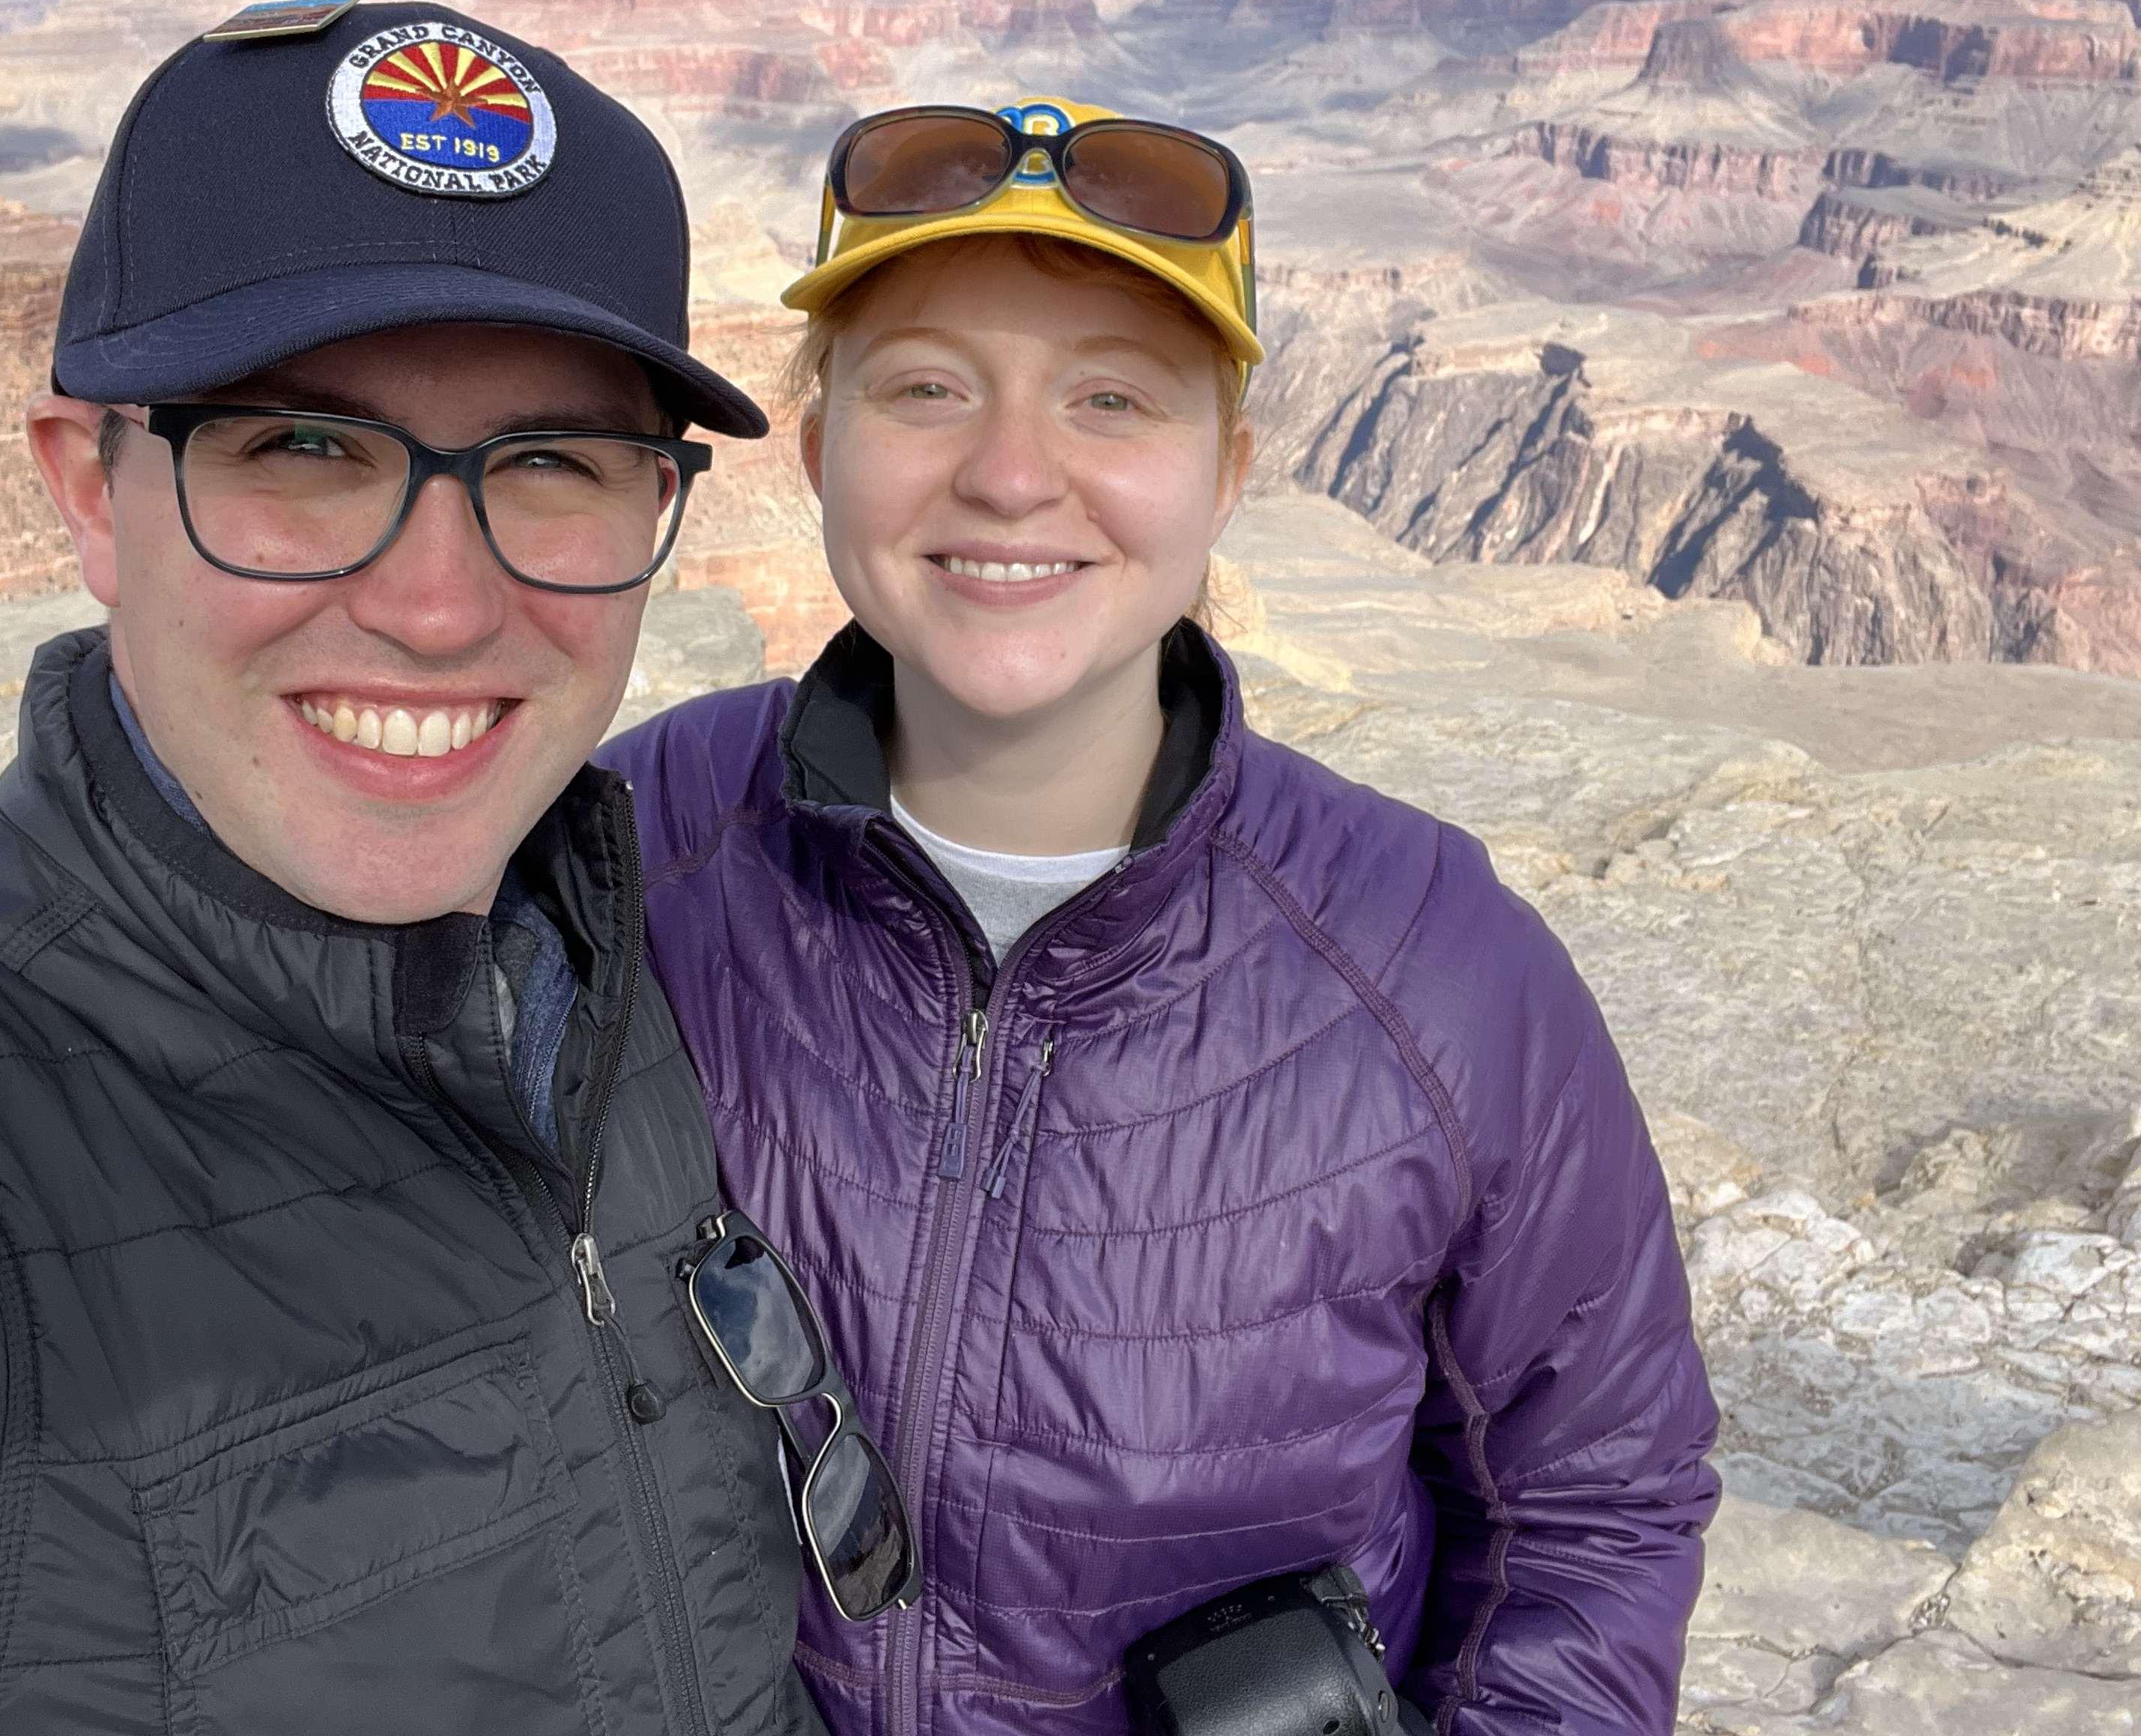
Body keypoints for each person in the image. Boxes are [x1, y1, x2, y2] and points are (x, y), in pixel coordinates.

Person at [599, 97, 1721, 1734]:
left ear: (1230, 473)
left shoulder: (1441, 974)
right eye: (925, 388)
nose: (1007, 474)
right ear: (822, 441)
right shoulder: (641, 855)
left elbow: (1595, 1508)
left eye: (1111, 398)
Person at [0, 2, 887, 1734]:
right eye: (306, 450)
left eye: (552, 463)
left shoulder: (609, 957)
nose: (436, 606)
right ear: (91, 493)